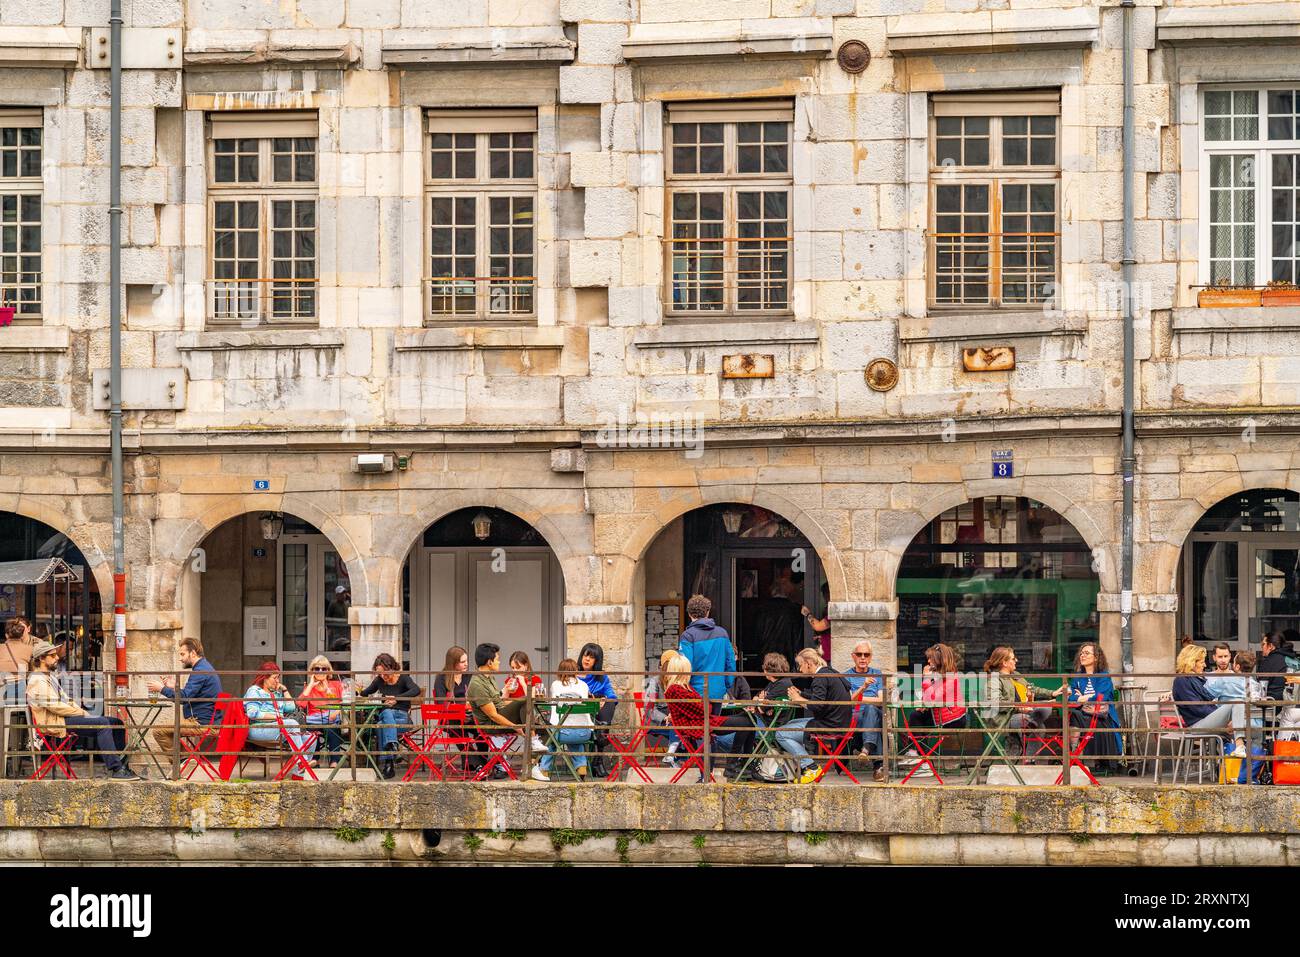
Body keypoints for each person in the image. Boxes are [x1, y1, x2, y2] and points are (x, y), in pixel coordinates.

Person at [26, 639, 138, 779]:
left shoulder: (49, 677)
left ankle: (122, 766)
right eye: (52, 655)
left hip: (64, 718)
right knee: (102, 724)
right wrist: (81, 712)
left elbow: (66, 699)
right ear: (42, 658)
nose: (57, 658)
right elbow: (55, 707)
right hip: (56, 723)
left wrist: (80, 711)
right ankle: (116, 770)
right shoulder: (37, 680)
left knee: (116, 723)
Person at [662, 654, 756, 781]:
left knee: (750, 718)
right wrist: (705, 704)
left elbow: (701, 706)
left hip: (703, 722)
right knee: (747, 721)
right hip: (700, 725)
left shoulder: (682, 688)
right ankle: (734, 764)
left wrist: (704, 703)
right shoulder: (677, 689)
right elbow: (703, 708)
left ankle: (742, 764)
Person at [774, 648, 853, 784]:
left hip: (829, 725)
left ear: (809, 663)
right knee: (793, 722)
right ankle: (802, 763)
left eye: (800, 665)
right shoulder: (830, 673)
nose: (799, 670)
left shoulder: (820, 679)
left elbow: (816, 706)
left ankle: (810, 766)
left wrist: (798, 699)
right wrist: (802, 694)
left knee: (781, 734)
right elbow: (821, 698)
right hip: (838, 722)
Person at [982, 645, 1065, 760]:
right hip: (1004, 718)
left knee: (1045, 712)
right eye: (1013, 658)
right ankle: (1019, 734)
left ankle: (1029, 759)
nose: (1016, 660)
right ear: (1004, 663)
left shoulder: (1016, 675)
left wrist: (1052, 693)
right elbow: (997, 703)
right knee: (1035, 723)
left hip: (1024, 713)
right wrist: (1019, 708)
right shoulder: (994, 679)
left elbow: (1032, 689)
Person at [899, 642, 968, 777]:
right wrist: (925, 706)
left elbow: (932, 697)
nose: (928, 661)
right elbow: (927, 699)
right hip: (940, 714)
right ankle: (919, 756)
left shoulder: (950, 676)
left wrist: (926, 678)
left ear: (938, 659)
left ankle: (920, 758)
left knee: (917, 718)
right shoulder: (937, 676)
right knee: (916, 715)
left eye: (930, 658)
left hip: (954, 718)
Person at [148, 637, 223, 756]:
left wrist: (161, 689)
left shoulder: (200, 671)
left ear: (193, 653)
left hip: (202, 724)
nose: (180, 658)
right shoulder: (203, 668)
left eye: (183, 654)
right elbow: (189, 695)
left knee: (158, 731)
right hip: (208, 721)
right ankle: (185, 759)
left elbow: (183, 698)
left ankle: (183, 760)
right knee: (165, 730)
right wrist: (174, 687)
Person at [1171, 643, 1249, 758]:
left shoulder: (1194, 679)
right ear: (1192, 662)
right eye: (1202, 662)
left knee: (1242, 715)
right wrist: (1224, 722)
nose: (1205, 665)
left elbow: (1207, 701)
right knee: (1237, 703)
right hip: (1196, 726)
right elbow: (1198, 708)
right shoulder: (1182, 681)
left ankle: (1240, 755)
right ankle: (1240, 745)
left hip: (1204, 720)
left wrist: (1225, 718)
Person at [356, 653, 422, 779]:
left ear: (391, 667)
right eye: (379, 673)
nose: (382, 676)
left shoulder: (403, 678)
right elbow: (365, 693)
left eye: (384, 673)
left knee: (383, 719)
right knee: (384, 718)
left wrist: (396, 698)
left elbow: (416, 690)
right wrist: (357, 690)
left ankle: (389, 765)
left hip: (402, 719)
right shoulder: (379, 681)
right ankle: (392, 747)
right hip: (388, 722)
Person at [244, 661, 318, 771]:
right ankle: (302, 761)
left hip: (278, 728)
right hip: (258, 728)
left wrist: (285, 690)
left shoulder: (275, 693)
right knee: (291, 723)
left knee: (311, 737)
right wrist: (277, 718)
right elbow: (252, 713)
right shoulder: (254, 690)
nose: (277, 681)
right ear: (265, 677)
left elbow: (292, 707)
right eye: (275, 678)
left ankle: (297, 774)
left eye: (278, 678)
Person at [530, 658, 594, 782]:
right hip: (585, 733)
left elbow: (553, 704)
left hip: (563, 733)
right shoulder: (584, 685)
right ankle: (581, 767)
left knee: (552, 738)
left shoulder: (556, 685)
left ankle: (544, 770)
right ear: (575, 670)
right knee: (574, 739)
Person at [467, 643, 525, 776]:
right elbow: (493, 715)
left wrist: (506, 691)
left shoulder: (489, 678)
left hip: (500, 716)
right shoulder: (477, 684)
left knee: (540, 725)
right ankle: (534, 747)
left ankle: (538, 761)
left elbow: (498, 701)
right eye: (497, 659)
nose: (499, 662)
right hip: (492, 725)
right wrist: (515, 726)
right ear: (489, 661)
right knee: (525, 701)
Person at [1067, 642, 1122, 772]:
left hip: (1101, 718)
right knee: (1074, 715)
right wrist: (1085, 697)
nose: (1082, 656)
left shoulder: (1103, 676)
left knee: (1075, 715)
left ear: (1096, 657)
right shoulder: (1078, 677)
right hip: (1083, 715)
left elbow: (1100, 697)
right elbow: (1070, 697)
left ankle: (1075, 755)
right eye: (1081, 653)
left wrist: (1081, 697)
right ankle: (1075, 753)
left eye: (1087, 653)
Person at [678, 595, 735, 708]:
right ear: (707, 612)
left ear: (689, 614)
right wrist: (726, 685)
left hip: (695, 692)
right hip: (718, 690)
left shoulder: (688, 636)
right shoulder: (722, 633)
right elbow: (730, 663)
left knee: (698, 725)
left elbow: (685, 666)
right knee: (714, 723)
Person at [842, 640, 886, 781]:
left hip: (873, 714)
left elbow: (881, 700)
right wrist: (864, 687)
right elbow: (848, 701)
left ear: (870, 657)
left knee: (871, 710)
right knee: (875, 723)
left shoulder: (877, 674)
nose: (862, 658)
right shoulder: (846, 676)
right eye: (859, 654)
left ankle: (865, 750)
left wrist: (860, 699)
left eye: (866, 654)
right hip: (855, 718)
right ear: (853, 656)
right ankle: (879, 767)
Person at [578, 642, 618, 776]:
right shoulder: (574, 676)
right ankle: (598, 761)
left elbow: (612, 695)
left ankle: (598, 759)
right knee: (602, 726)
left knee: (610, 703)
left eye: (591, 657)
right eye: (585, 655)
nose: (587, 659)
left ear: (597, 661)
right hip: (580, 712)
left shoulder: (601, 677)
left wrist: (604, 699)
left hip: (598, 714)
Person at [296, 655, 344, 767]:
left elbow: (342, 702)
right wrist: (311, 685)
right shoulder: (309, 687)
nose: (320, 671)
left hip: (331, 719)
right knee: (313, 731)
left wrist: (336, 712)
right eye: (317, 669)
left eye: (324, 669)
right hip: (314, 721)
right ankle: (314, 760)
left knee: (333, 730)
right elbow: (300, 704)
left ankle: (334, 761)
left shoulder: (336, 685)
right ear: (312, 671)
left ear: (328, 671)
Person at [1, 616, 33, 775]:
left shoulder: (0, 649)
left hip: (2, 696)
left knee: (3, 727)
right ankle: (18, 762)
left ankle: (4, 766)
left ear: (6, 635)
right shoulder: (28, 650)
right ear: (22, 635)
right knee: (20, 725)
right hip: (19, 696)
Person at [642, 648, 681, 766]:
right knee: (679, 726)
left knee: (684, 725)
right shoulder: (653, 682)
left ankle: (674, 756)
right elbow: (649, 709)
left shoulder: (679, 682)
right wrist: (665, 718)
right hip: (655, 722)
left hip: (674, 721)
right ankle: (673, 756)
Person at [504, 651, 546, 752]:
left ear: (526, 665)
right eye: (512, 668)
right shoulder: (510, 681)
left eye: (517, 667)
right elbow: (503, 702)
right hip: (515, 717)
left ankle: (534, 763)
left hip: (530, 717)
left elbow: (531, 698)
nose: (515, 671)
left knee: (546, 729)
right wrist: (506, 690)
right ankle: (534, 743)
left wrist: (523, 683)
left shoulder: (535, 679)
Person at [802, 581, 833, 663]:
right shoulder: (828, 610)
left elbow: (818, 627)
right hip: (826, 652)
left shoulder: (834, 612)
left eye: (826, 595)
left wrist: (807, 613)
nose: (825, 598)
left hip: (830, 654)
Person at [1257, 631, 1288, 701]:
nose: (1262, 647)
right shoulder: (1289, 659)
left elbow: (1261, 686)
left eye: (1263, 644)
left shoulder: (1268, 662)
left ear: (1270, 646)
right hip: (1289, 702)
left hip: (1271, 703)